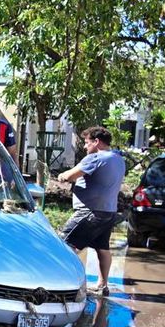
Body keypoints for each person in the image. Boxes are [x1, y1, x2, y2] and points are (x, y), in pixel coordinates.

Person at [57, 126, 125, 297]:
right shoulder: (118, 159)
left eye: (87, 143)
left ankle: (66, 284)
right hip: (108, 212)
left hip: (89, 212)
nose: (85, 147)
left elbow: (70, 176)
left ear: (96, 142)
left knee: (63, 246)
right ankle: (102, 285)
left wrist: (62, 175)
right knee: (102, 248)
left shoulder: (95, 158)